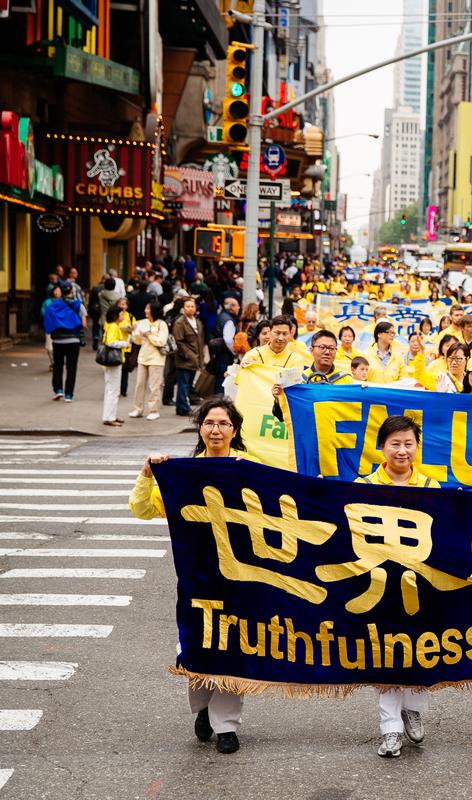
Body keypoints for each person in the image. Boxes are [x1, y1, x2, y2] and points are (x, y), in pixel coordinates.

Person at [129, 397, 258, 754]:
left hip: (241, 576)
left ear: (235, 430)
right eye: (210, 423)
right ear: (200, 428)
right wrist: (148, 474)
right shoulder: (181, 473)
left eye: (224, 423)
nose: (216, 429)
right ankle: (203, 708)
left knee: (236, 647)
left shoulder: (249, 468)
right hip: (197, 575)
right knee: (199, 645)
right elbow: (141, 509)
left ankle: (226, 725)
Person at [356, 415, 440, 756]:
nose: (402, 450)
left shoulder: (432, 487)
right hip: (379, 584)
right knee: (386, 654)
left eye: (408, 443)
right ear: (381, 447)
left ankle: (413, 709)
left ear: (417, 447)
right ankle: (389, 728)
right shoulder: (363, 485)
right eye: (395, 443)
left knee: (419, 651)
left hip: (420, 585)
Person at [44, 285, 85, 402]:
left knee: (58, 365)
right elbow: (84, 317)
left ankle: (58, 390)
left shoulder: (53, 305)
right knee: (71, 367)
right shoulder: (78, 304)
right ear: (71, 291)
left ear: (61, 292)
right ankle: (69, 395)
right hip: (74, 340)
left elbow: (47, 319)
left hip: (58, 340)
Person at [129, 302, 169, 420]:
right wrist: (136, 334)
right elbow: (138, 342)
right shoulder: (143, 323)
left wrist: (148, 335)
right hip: (143, 357)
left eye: (148, 308)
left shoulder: (161, 324)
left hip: (156, 359)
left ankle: (154, 410)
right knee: (139, 385)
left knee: (154, 386)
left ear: (153, 310)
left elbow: (161, 341)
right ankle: (138, 408)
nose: (146, 310)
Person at [171, 297, 204, 417]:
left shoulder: (197, 322)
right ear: (183, 308)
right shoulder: (180, 322)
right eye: (188, 306)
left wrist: (200, 359)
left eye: (193, 306)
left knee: (188, 384)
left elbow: (200, 341)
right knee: (183, 384)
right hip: (185, 359)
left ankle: (182, 406)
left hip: (195, 358)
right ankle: (183, 407)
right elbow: (179, 342)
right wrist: (189, 355)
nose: (191, 308)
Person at [99, 306, 130, 426]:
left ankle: (110, 415)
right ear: (116, 315)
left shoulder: (111, 325)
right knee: (113, 389)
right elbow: (111, 342)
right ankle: (109, 417)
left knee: (111, 389)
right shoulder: (114, 327)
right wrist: (125, 343)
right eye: (121, 314)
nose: (123, 315)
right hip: (113, 361)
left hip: (110, 362)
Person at [241, 315, 309, 369]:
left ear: (290, 334)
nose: (280, 338)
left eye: (285, 334)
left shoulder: (296, 360)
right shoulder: (253, 356)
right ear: (270, 332)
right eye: (277, 333)